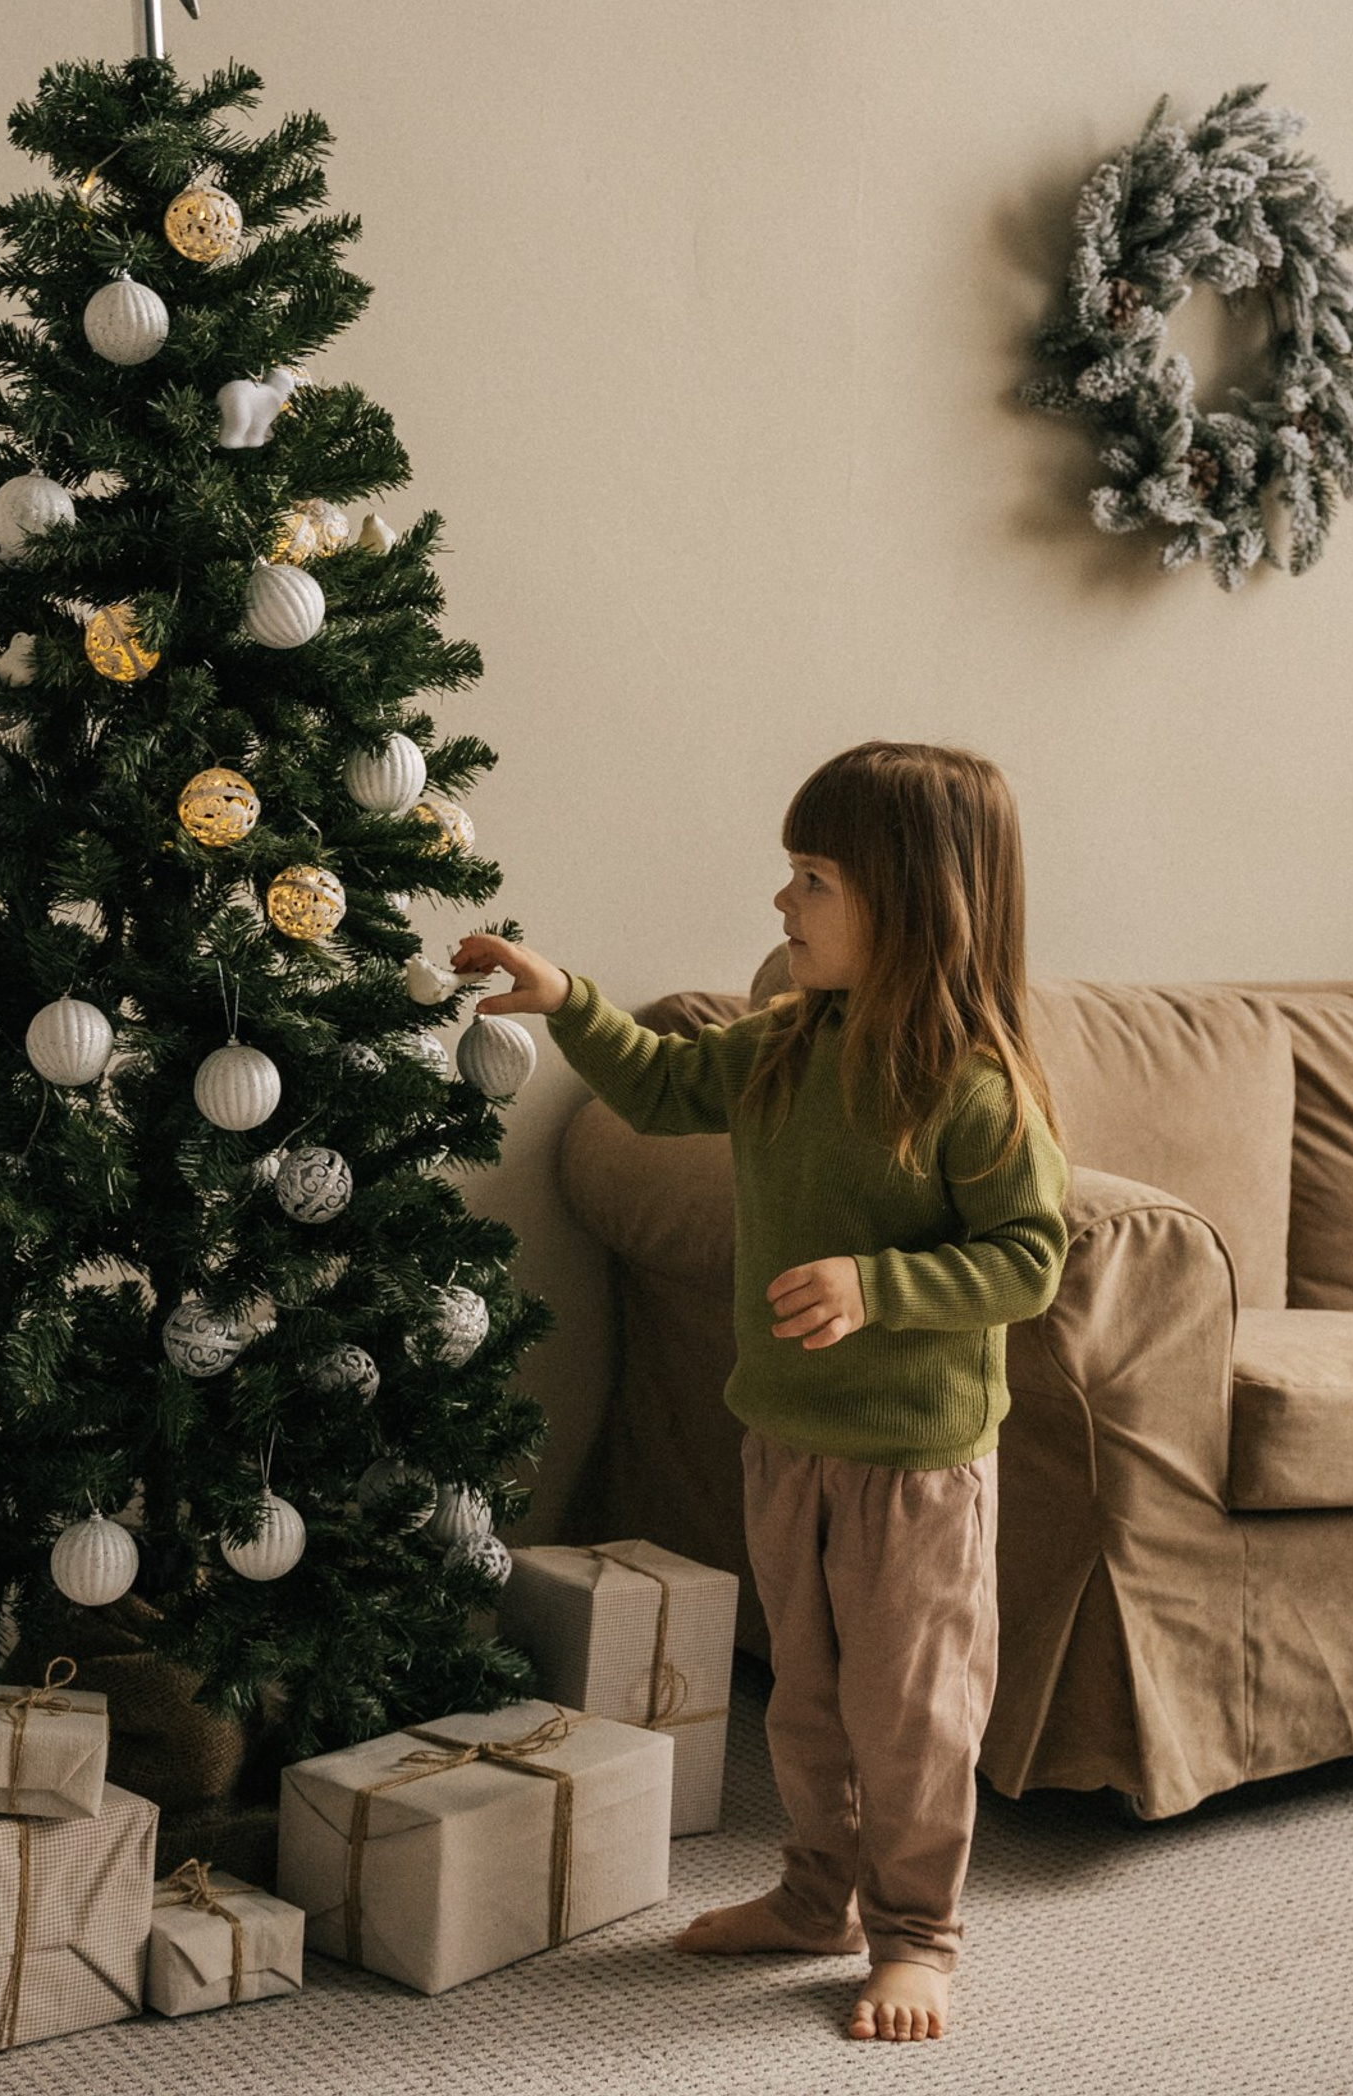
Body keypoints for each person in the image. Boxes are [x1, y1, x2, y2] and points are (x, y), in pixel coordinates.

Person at [452, 738, 1069, 2044]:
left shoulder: (976, 1088)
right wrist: (566, 998)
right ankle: (813, 1895)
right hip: (787, 1441)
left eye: (812, 879)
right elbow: (666, 1085)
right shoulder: (787, 1041)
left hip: (916, 1467)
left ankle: (917, 1937)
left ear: (913, 902)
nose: (783, 906)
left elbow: (1028, 1260)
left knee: (910, 1719)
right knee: (803, 1704)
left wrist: (878, 1289)